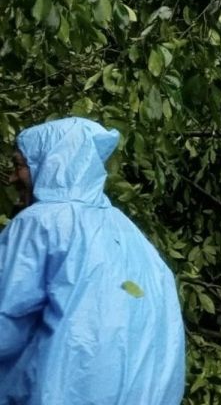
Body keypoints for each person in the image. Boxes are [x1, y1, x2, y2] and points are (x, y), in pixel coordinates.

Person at [0, 117, 185, 403]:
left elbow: (6, 320)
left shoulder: (43, 223)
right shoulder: (131, 235)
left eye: (19, 166)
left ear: (51, 162)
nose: (12, 178)